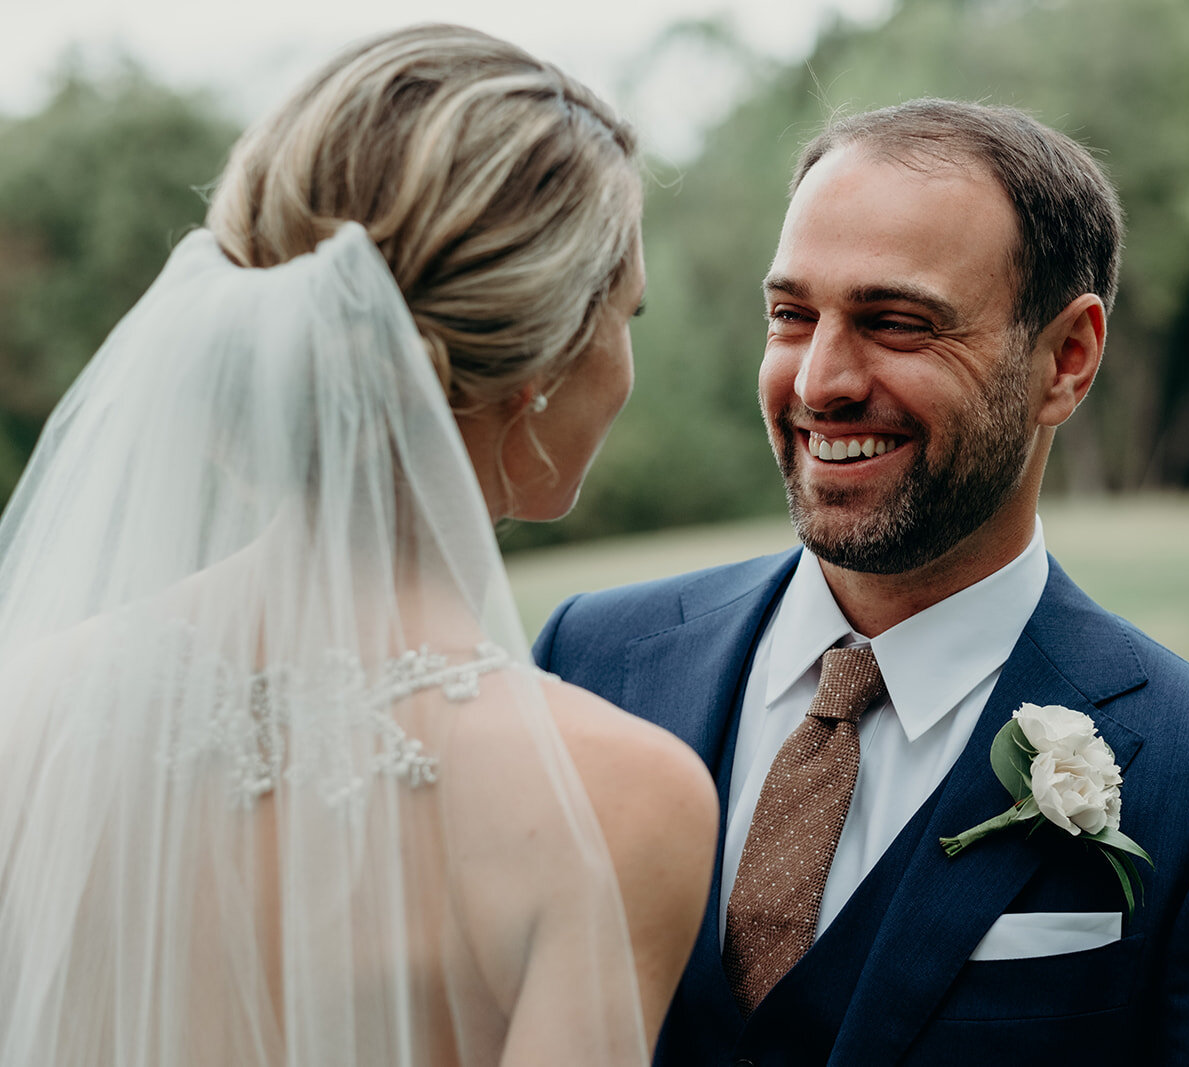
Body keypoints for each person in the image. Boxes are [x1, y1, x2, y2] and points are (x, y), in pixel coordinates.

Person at [535, 99, 1189, 1065]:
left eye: (896, 322)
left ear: (1068, 358)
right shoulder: (589, 663)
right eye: (793, 316)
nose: (819, 382)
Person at [0, 24, 716, 1067]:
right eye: (627, 311)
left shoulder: (27, 706)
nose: (627, 356)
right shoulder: (616, 797)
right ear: (544, 363)